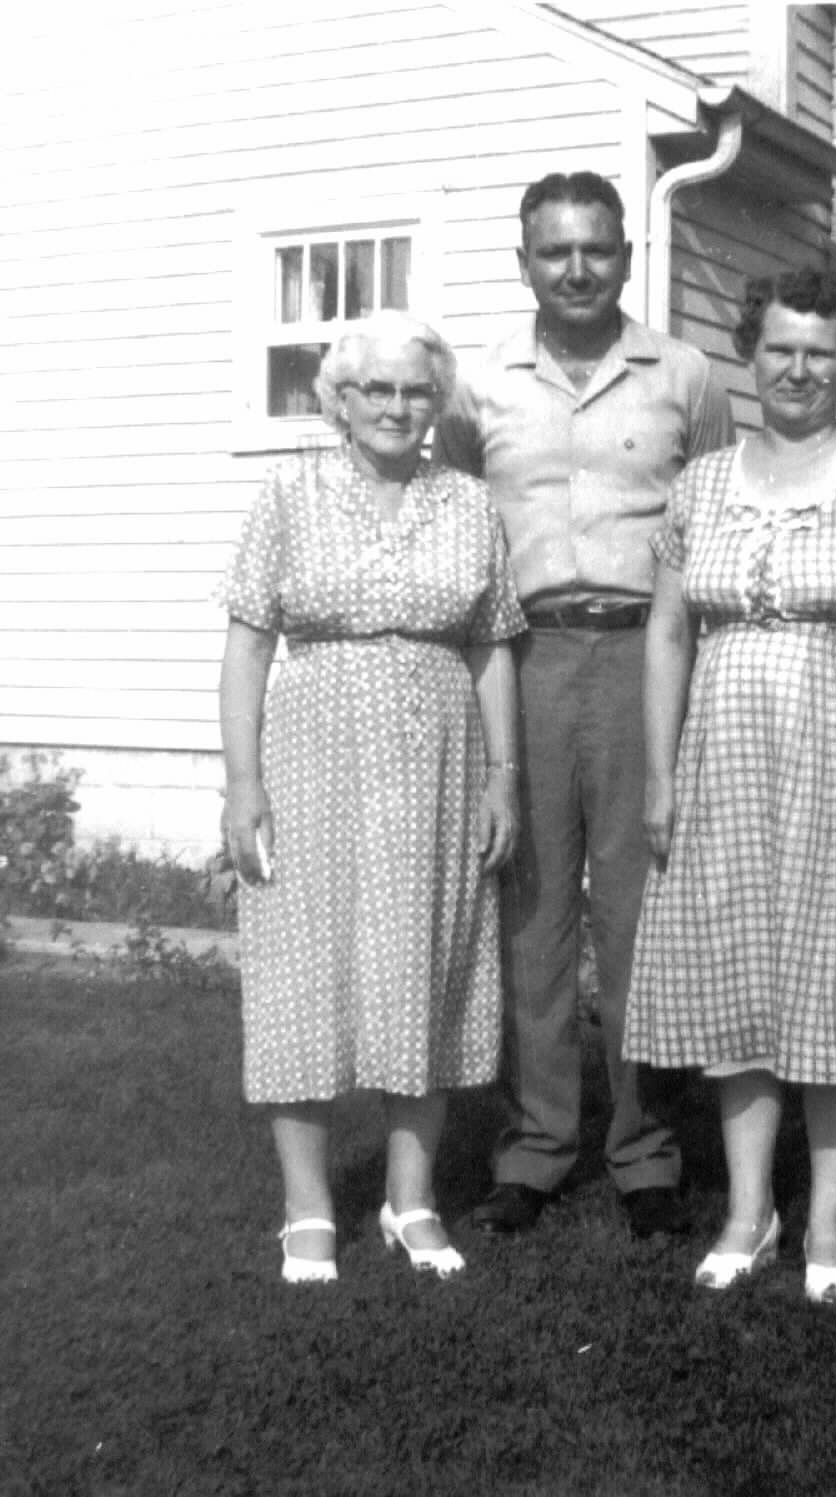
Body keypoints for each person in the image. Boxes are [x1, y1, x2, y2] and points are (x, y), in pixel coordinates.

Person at [623, 266, 836, 1302]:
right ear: (750, 353)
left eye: (820, 351)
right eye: (780, 348)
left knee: (832, 976)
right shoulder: (701, 484)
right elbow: (668, 631)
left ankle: (830, 1221)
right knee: (734, 973)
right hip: (722, 752)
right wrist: (660, 774)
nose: (798, 369)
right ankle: (747, 1211)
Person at [434, 170, 735, 1238]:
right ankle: (536, 1145)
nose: (576, 269)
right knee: (532, 909)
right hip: (523, 657)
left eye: (596, 250)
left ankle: (646, 1151)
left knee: (640, 909)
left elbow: (717, 513)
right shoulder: (479, 387)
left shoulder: (684, 377)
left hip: (644, 655)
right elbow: (459, 509)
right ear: (524, 262)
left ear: (625, 257)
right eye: (555, 251)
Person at [219, 311, 526, 1284]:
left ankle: (411, 1199)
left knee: (427, 964)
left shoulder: (467, 503)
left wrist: (504, 776)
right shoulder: (289, 492)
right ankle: (308, 1209)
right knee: (302, 973)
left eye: (416, 390)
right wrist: (243, 782)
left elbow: (491, 646)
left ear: (438, 403)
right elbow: (248, 644)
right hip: (312, 758)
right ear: (339, 400)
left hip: (439, 765)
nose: (397, 407)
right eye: (376, 389)